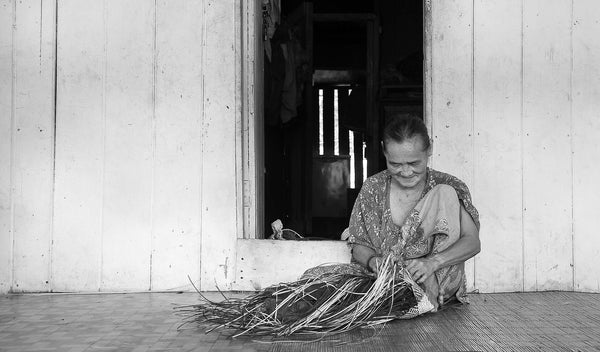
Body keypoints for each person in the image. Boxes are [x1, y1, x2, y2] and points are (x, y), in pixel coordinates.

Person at [348, 115, 480, 310]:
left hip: (440, 280)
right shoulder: (373, 188)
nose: (406, 172)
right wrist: (374, 261)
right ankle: (408, 297)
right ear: (384, 151)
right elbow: (359, 245)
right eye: (395, 164)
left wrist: (432, 264)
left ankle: (425, 294)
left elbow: (472, 243)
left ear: (430, 149)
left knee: (444, 192)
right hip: (388, 282)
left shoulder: (450, 185)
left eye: (414, 163)